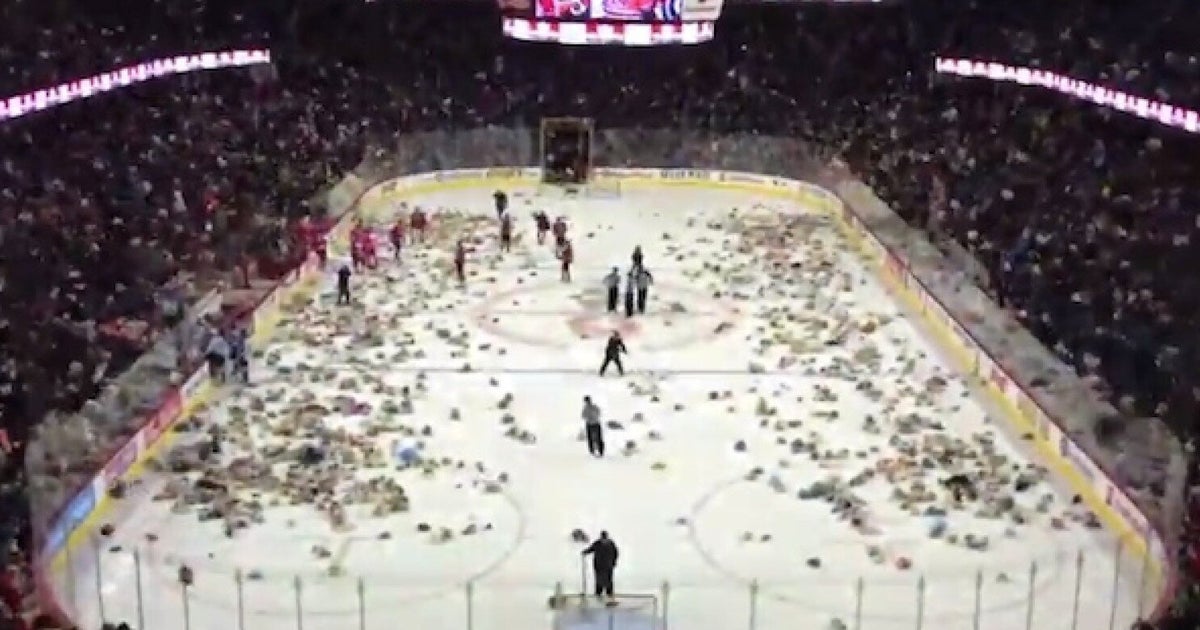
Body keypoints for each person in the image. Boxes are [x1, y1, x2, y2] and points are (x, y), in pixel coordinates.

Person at [581, 531, 619, 600]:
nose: (603, 539)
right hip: (599, 565)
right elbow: (591, 549)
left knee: (608, 579)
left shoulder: (610, 544)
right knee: (599, 579)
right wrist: (585, 552)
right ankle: (599, 593)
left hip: (608, 565)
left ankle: (609, 593)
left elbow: (615, 553)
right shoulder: (598, 543)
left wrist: (614, 562)